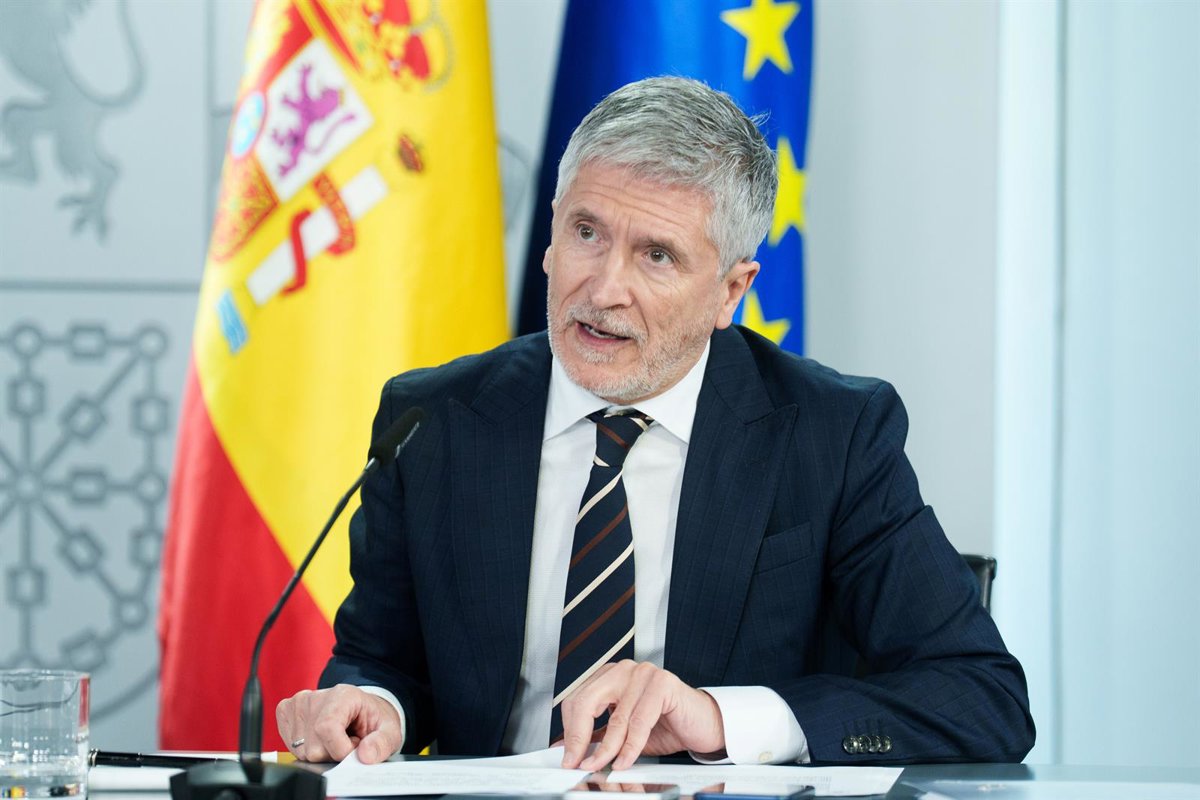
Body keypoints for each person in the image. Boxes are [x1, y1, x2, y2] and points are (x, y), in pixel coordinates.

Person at [276, 76, 1035, 770]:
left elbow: (982, 695)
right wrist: (372, 705)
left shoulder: (832, 436)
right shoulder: (432, 421)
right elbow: (382, 658)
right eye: (586, 232)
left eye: (658, 256)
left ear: (731, 291)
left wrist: (721, 717)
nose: (604, 288)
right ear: (550, 238)